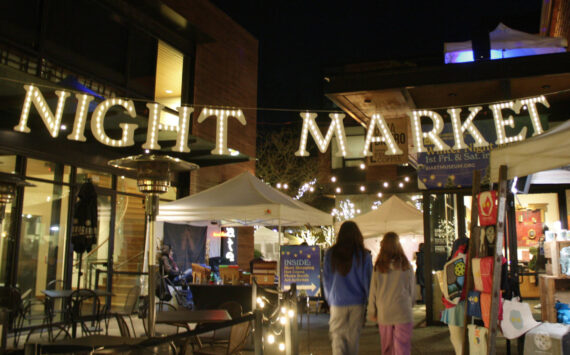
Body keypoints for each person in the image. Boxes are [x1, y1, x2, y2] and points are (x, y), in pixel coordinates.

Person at [323, 220, 372, 355]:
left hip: (337, 301)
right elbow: (367, 281)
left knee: (337, 338)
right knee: (353, 339)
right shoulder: (364, 256)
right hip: (357, 302)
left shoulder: (331, 254)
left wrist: (329, 299)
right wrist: (368, 302)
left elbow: (326, 279)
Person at [368, 231, 415, 355]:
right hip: (403, 310)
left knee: (387, 348)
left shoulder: (379, 267)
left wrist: (372, 311)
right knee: (402, 348)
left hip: (385, 311)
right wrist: (411, 304)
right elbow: (412, 289)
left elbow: (373, 291)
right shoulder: (406, 266)